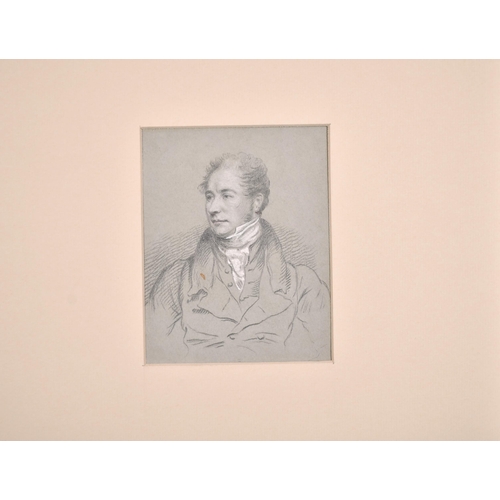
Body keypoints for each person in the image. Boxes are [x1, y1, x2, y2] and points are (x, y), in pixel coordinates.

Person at [145, 153, 330, 363]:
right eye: (209, 196)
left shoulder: (304, 285)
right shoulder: (176, 280)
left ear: (256, 202)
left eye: (226, 195)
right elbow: (155, 354)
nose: (212, 208)